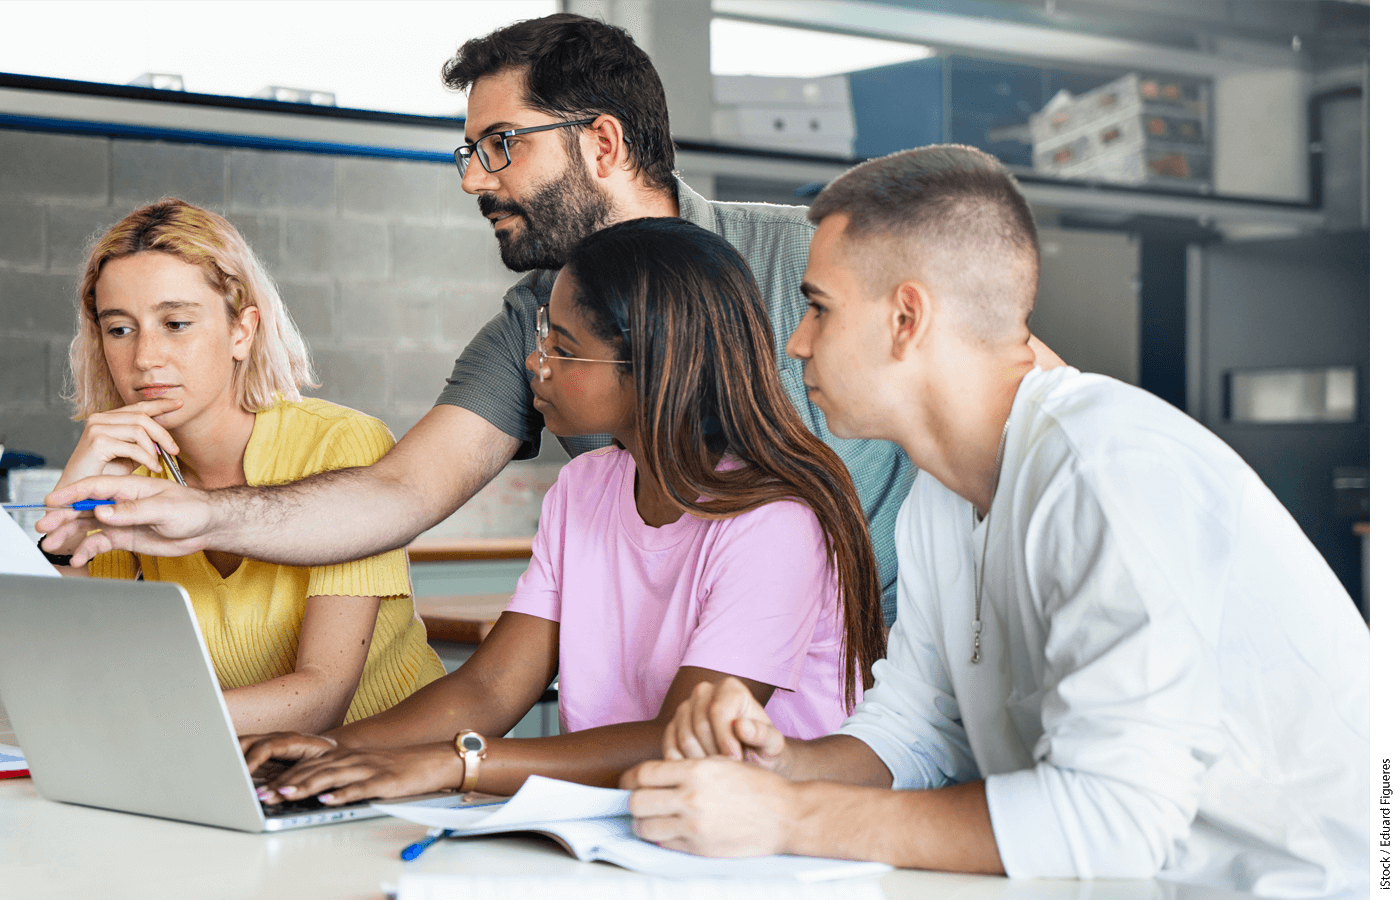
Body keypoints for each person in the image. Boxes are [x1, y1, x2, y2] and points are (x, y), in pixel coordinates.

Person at [38, 10, 1052, 627]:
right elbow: (398, 489)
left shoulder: (808, 257)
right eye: (467, 152)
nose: (476, 180)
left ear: (601, 141)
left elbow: (1027, 392)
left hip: (885, 678)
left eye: (499, 146)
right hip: (689, 698)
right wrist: (198, 516)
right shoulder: (529, 319)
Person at [621, 146, 1370, 898]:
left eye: (818, 307)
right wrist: (777, 762)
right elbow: (921, 728)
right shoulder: (943, 495)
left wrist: (788, 816)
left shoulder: (1106, 470)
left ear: (906, 319)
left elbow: (1115, 820)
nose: (796, 341)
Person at [240, 217, 885, 805]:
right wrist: (338, 748)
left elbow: (682, 739)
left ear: (653, 368)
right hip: (627, 821)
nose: (534, 363)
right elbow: (488, 690)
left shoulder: (775, 521)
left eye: (565, 348)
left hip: (770, 840)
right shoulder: (585, 488)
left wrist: (456, 765)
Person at [42, 198, 445, 735]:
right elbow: (75, 673)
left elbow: (321, 698)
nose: (145, 357)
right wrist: (63, 528)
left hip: (392, 770)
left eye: (177, 323)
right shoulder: (130, 473)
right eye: (120, 329)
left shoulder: (342, 444)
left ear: (242, 330)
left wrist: (145, 717)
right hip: (237, 766)